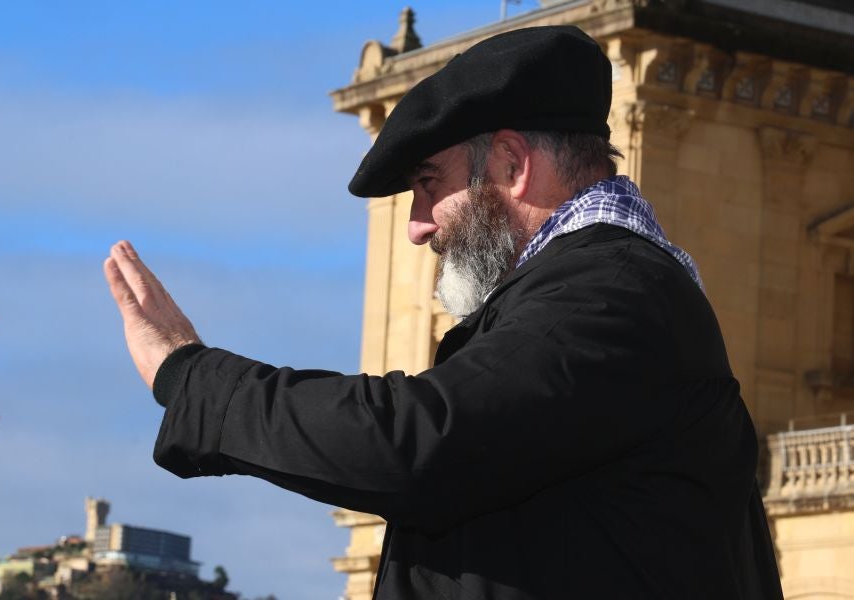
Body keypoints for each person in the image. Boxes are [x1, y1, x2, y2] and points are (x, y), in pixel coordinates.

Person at [104, 26, 783, 600]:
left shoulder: (612, 295)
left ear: (513, 164)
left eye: (430, 184)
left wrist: (191, 378)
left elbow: (412, 442)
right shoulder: (599, 291)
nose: (417, 227)